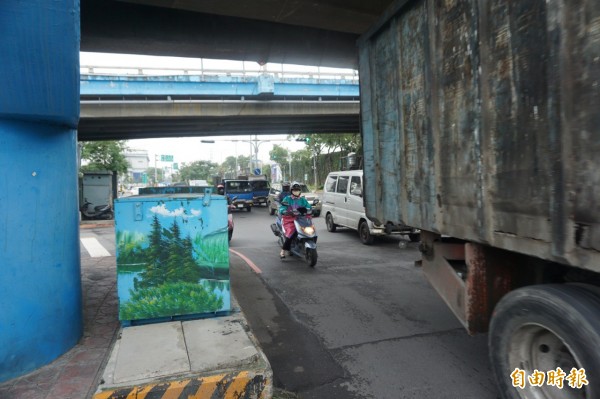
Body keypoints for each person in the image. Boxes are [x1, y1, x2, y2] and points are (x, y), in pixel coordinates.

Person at [278, 182, 311, 258]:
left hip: (301, 219)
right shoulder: (287, 199)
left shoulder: (303, 200)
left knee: (309, 230)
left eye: (298, 190)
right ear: (291, 191)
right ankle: (283, 251)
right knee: (291, 233)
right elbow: (282, 208)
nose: (296, 191)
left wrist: (309, 210)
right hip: (290, 219)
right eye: (294, 190)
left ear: (300, 191)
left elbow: (308, 207)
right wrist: (284, 211)